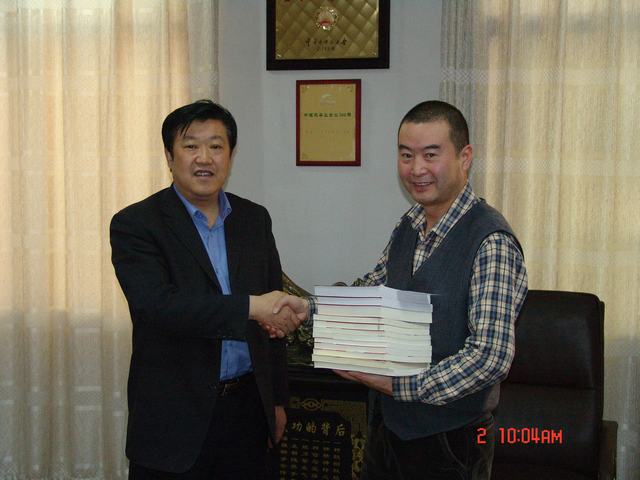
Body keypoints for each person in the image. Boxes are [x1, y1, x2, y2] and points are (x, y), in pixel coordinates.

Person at [276, 100, 528, 479]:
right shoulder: (409, 225)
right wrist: (306, 308)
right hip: (389, 428)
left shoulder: (490, 241)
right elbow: (372, 289)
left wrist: (401, 385)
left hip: (451, 441)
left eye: (431, 154)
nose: (416, 169)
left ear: (465, 157)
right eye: (406, 155)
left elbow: (489, 357)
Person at [110, 100, 304, 479]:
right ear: (170, 157)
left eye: (216, 146)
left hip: (248, 412)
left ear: (230, 155)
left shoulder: (254, 219)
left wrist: (277, 401)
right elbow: (158, 307)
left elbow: (273, 323)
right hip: (174, 420)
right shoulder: (137, 224)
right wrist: (250, 308)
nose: (205, 158)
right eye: (191, 146)